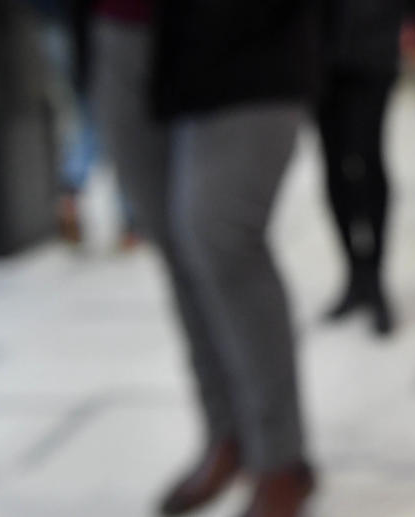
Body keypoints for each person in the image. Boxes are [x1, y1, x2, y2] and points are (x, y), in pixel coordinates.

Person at [74, 0, 320, 515]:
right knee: (178, 250)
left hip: (244, 41)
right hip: (119, 30)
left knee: (220, 237)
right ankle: (226, 434)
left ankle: (279, 456)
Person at [316, 0, 411, 336]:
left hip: (374, 47)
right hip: (318, 52)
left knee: (368, 159)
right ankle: (354, 273)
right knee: (332, 166)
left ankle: (375, 275)